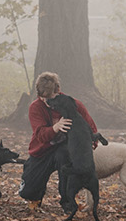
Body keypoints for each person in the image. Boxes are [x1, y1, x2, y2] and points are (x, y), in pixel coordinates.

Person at [17, 71, 97, 211]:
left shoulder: (73, 104)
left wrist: (91, 142)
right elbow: (40, 135)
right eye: (43, 98)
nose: (47, 102)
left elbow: (90, 127)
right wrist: (55, 128)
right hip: (42, 150)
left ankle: (67, 201)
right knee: (27, 192)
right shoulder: (35, 107)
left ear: (58, 90)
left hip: (66, 151)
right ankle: (36, 197)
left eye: (50, 98)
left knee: (64, 156)